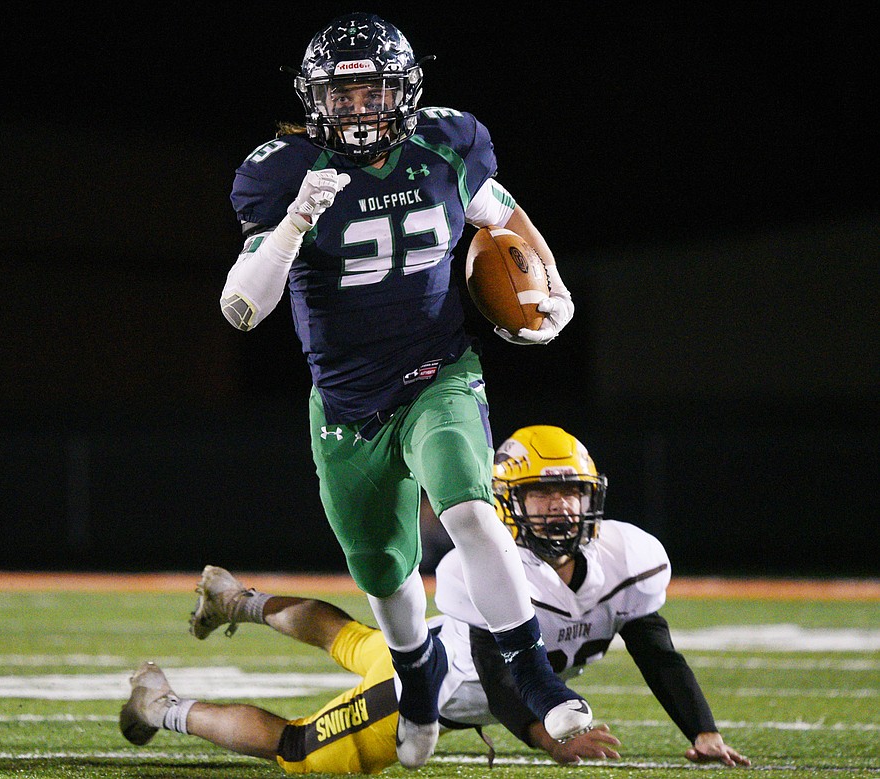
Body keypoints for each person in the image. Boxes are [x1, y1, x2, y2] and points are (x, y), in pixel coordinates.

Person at [218, 11, 584, 767]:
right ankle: (417, 682)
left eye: (372, 90)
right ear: (316, 99)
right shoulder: (282, 172)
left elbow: (503, 215)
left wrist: (554, 285)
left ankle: (537, 676)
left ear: (405, 91)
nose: (358, 108)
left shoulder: (446, 143)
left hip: (438, 372)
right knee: (383, 574)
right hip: (349, 406)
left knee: (472, 510)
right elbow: (241, 307)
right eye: (342, 94)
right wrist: (292, 225)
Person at [433, 425, 750, 767]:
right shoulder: (487, 567)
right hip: (425, 691)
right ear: (508, 502)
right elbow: (500, 682)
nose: (561, 506)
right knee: (368, 753)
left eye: (572, 491)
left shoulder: (623, 558)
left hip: (492, 705)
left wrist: (704, 733)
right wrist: (553, 741)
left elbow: (658, 658)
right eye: (542, 493)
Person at [119, 565, 622, 774]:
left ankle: (236, 601)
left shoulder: (612, 571)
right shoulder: (600, 575)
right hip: (414, 694)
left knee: (345, 635)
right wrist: (547, 736)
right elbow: (500, 677)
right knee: (296, 747)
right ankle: (158, 705)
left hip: (417, 647)